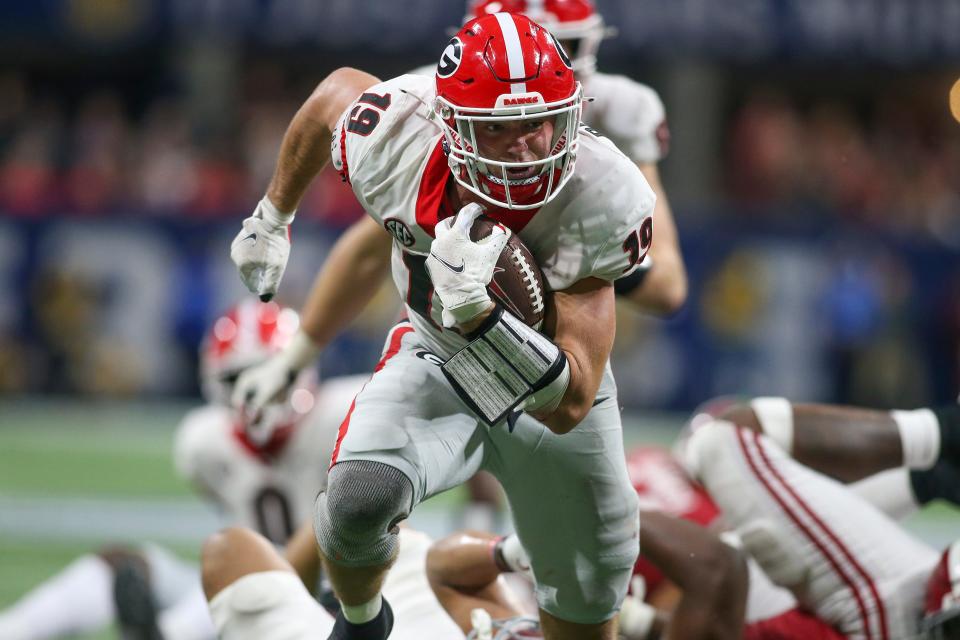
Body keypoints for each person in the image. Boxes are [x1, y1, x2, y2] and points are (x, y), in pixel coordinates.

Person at [229, 11, 655, 640]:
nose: (529, 146)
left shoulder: (603, 191)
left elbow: (572, 404)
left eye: (540, 122)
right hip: (438, 357)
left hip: (553, 394)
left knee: (589, 604)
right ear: (451, 125)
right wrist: (271, 216)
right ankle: (362, 625)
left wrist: (486, 318)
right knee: (354, 503)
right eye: (501, 129)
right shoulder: (396, 137)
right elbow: (328, 101)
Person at [0, 300, 366, 640]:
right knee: (121, 565)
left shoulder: (346, 415)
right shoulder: (205, 442)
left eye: (264, 371)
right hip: (245, 588)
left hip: (332, 598)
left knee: (247, 582)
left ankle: (166, 634)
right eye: (235, 379)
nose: (254, 391)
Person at [680, 400, 960, 639]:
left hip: (908, 614)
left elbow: (712, 566)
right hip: (921, 597)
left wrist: (939, 432)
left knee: (725, 441)